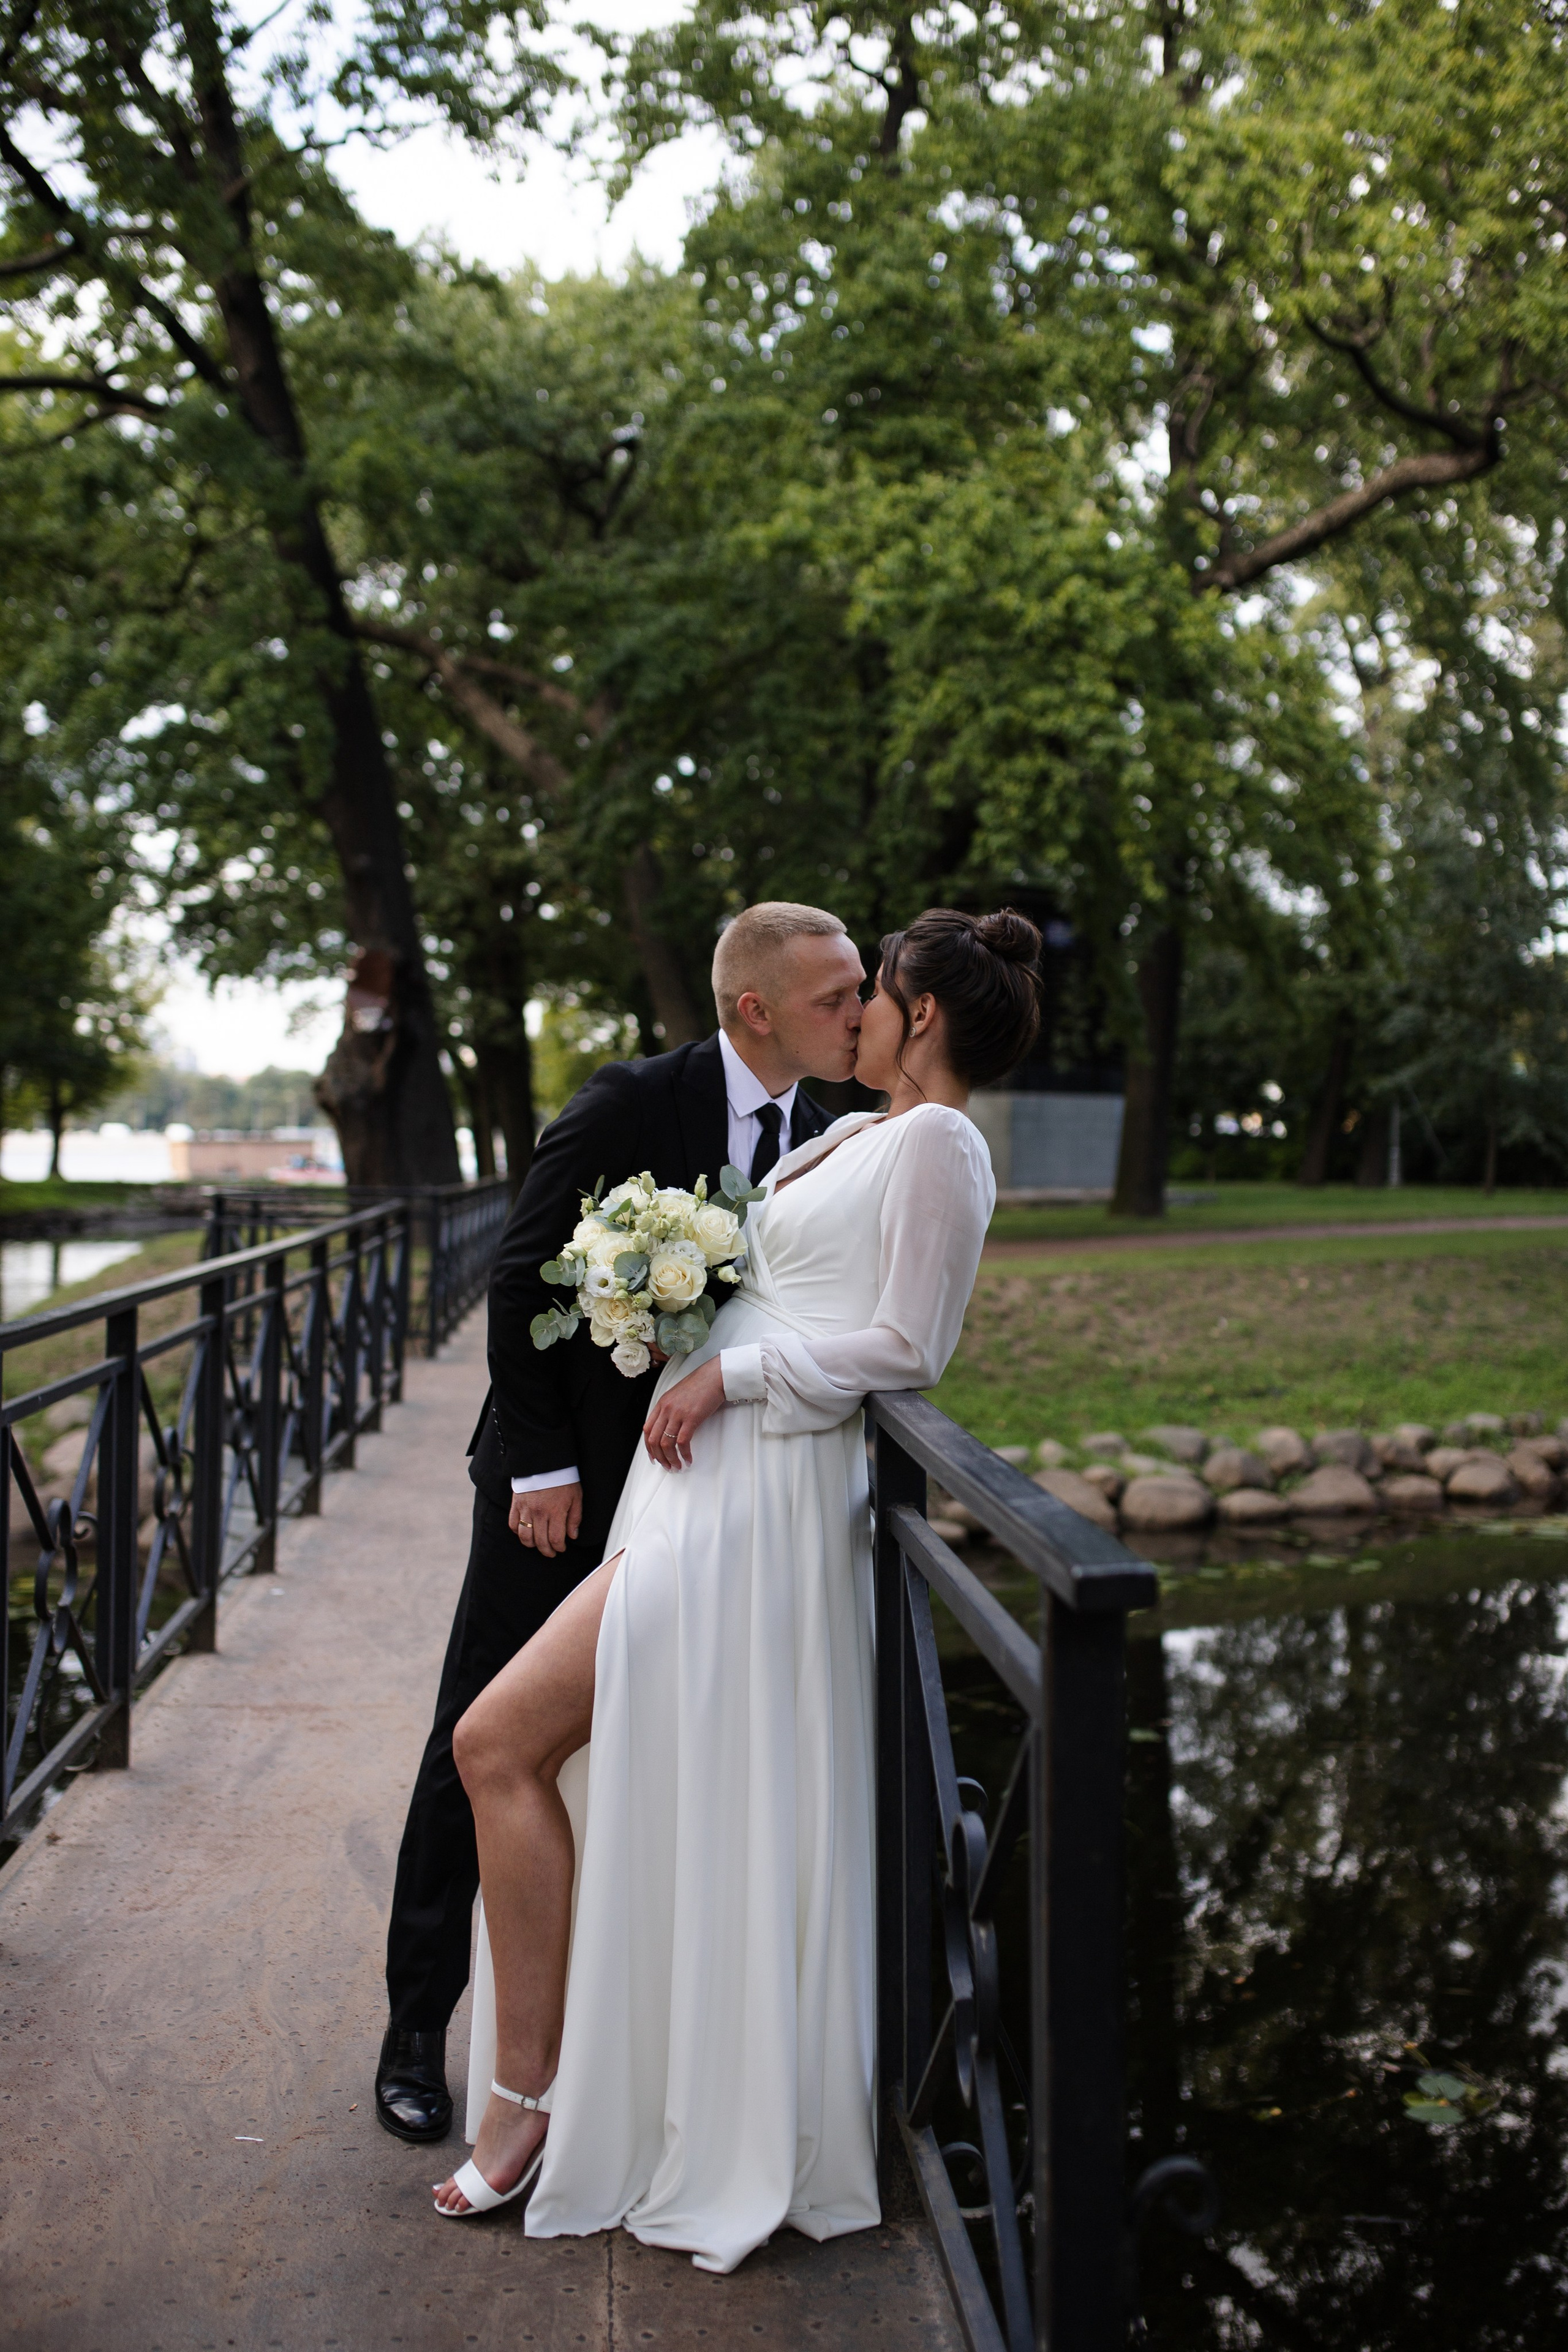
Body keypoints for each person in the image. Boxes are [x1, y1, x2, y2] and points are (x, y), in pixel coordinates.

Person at [432, 908, 1043, 2275]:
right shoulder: (861, 1131)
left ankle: (534, 2105)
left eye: (874, 991)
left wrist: (732, 1373)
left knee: (496, 1740)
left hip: (762, 1508)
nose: (856, 1010)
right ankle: (592, 2090)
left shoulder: (941, 1144)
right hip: (692, 1498)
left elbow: (910, 1347)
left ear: (920, 1016)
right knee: (573, 1765)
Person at [375, 903, 864, 2143]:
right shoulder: (630, 1101)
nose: (861, 1015)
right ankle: (415, 2028)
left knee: (641, 1754)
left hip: (697, 1505)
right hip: (559, 1495)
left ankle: (610, 2051)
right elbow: (521, 1275)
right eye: (837, 997)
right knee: (477, 1736)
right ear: (756, 1009)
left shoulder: (826, 1135)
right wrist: (540, 1467)